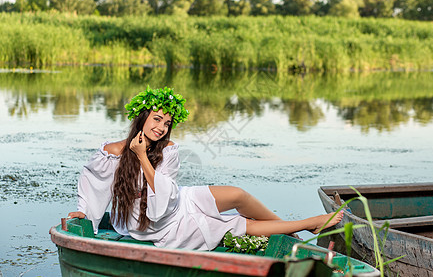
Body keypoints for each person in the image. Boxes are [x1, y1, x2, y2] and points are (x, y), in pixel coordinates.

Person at [68, 86, 343, 250]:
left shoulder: (168, 148)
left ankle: (289, 233)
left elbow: (168, 190)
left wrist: (144, 156)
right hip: (154, 222)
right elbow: (95, 186)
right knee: (236, 224)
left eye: (166, 123)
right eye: (156, 119)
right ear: (142, 117)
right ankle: (308, 225)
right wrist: (86, 213)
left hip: (175, 200)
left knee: (237, 195)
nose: (161, 127)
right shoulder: (112, 153)